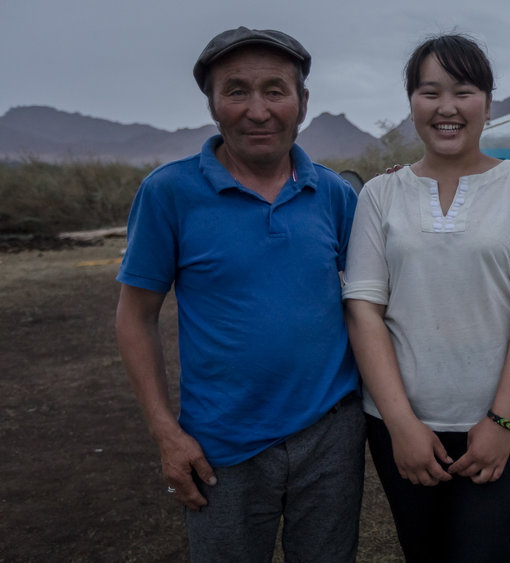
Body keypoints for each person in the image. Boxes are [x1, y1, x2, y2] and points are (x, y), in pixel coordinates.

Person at [115, 27, 364, 562]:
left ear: (302, 103)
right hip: (219, 444)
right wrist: (165, 433)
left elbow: (371, 301)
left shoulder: (335, 195)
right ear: (212, 104)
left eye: (275, 90)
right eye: (236, 91)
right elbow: (135, 318)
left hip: (332, 435)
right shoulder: (169, 193)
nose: (258, 110)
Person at [342, 34, 510, 563]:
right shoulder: (380, 194)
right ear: (412, 103)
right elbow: (364, 310)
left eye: (463, 91)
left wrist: (502, 423)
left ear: (487, 101)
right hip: (402, 424)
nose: (446, 108)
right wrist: (401, 425)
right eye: (428, 92)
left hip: (506, 423)